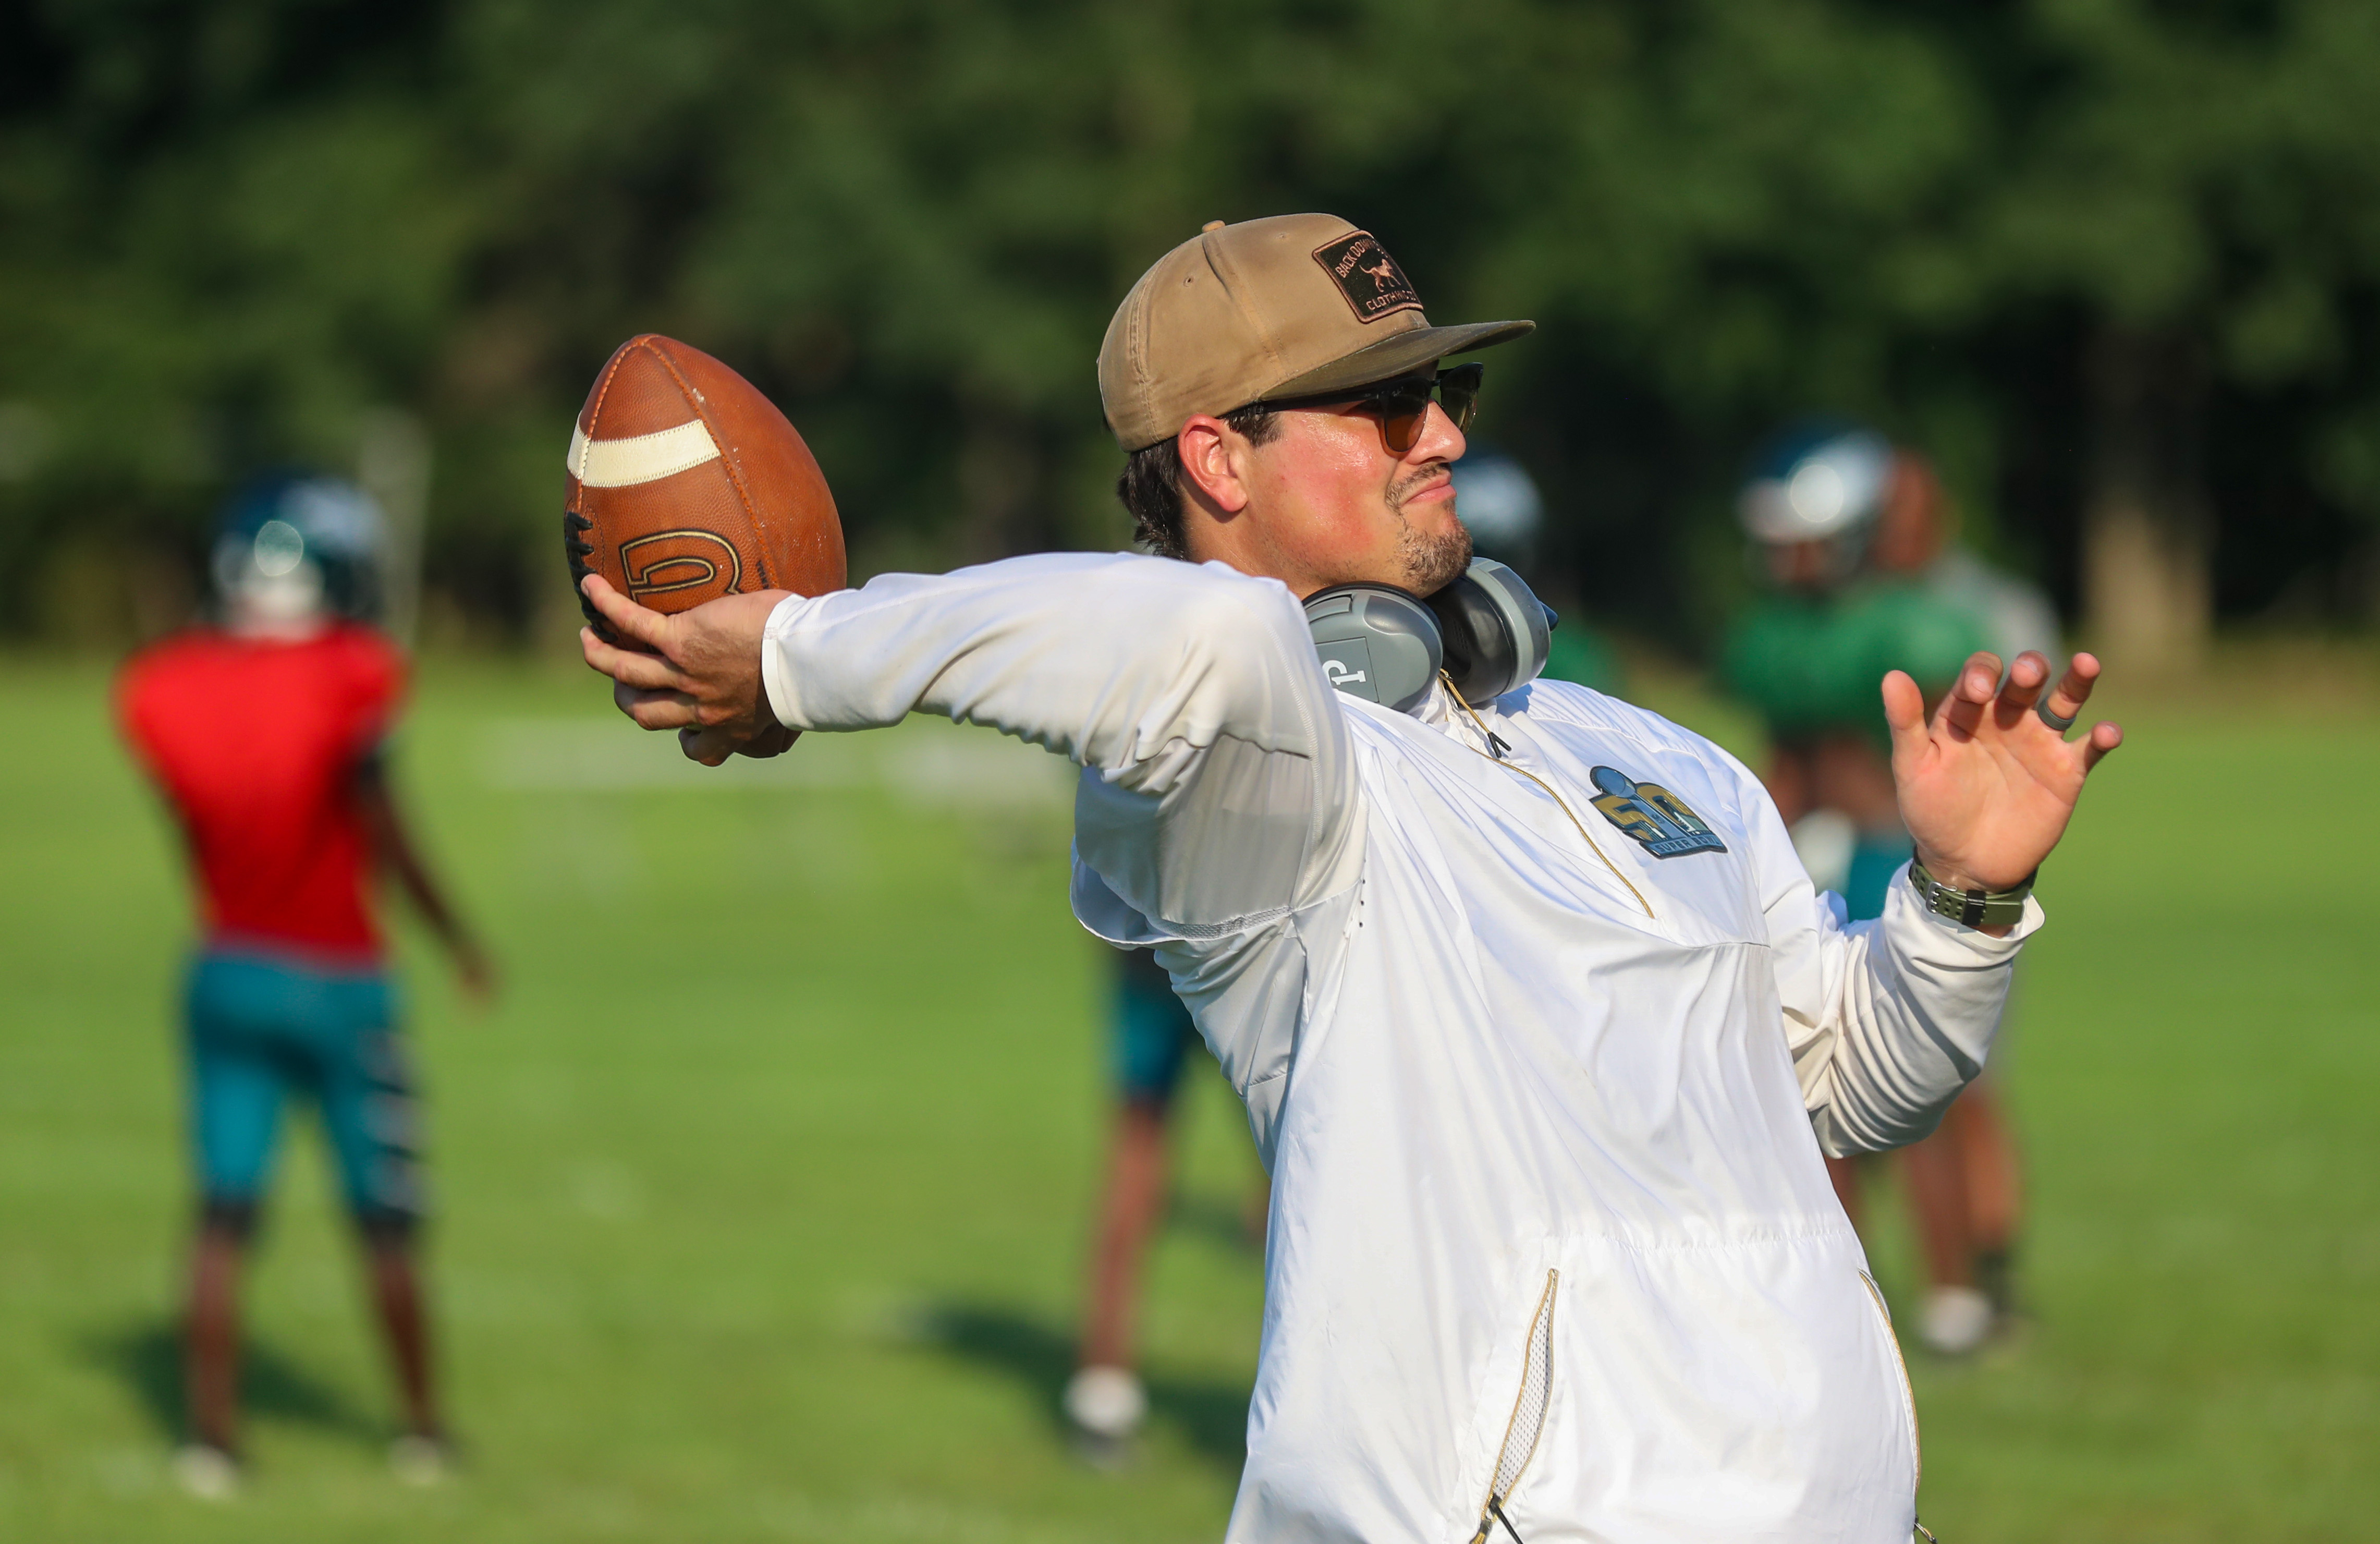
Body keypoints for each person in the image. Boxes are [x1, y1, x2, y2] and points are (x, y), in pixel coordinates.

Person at [578, 214, 2119, 1541]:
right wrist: (795, 652)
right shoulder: (1255, 781)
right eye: (1383, 408)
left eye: (1440, 392)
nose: (1445, 433)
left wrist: (1957, 907)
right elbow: (1198, 641)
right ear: (1213, 458)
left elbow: (1841, 1087)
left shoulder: (1649, 753)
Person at [116, 476, 493, 1498]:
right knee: (385, 1215)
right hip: (340, 979)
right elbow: (382, 827)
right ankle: (421, 1428)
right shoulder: (352, 672)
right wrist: (457, 937)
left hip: (225, 965)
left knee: (223, 1211)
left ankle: (209, 1440)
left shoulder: (162, 683)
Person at [1866, 453, 2060, 1348]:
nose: (1892, 528)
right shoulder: (1847, 605)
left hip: (1963, 873)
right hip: (1865, 863)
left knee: (1973, 1082)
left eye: (1907, 509)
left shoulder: (1985, 606)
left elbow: (2030, 738)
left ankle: (1990, 1272)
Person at [1064, 945, 1253, 1461]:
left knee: (1136, 1155)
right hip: (1241, 958)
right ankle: (1102, 1389)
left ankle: (1101, 1394)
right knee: (1295, 1169)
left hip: (1155, 948)